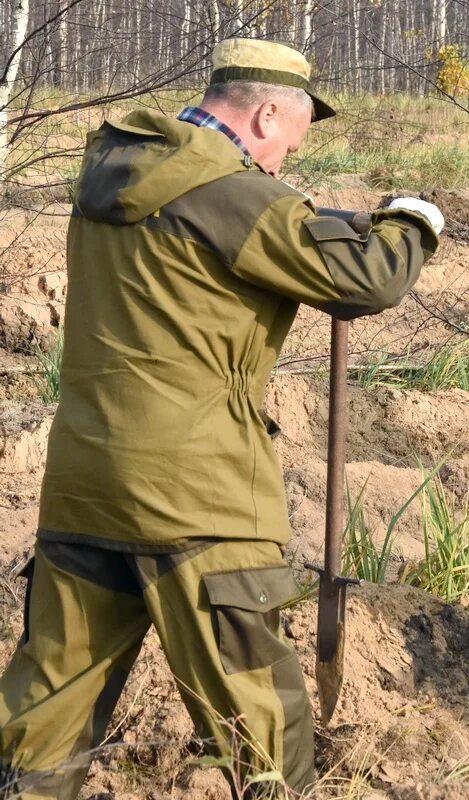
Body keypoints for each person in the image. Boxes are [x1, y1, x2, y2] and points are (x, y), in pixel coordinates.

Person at [0, 38, 443, 799]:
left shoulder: (111, 175)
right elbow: (362, 279)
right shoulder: (228, 191)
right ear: (268, 112)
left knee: (46, 712)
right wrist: (413, 224)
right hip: (195, 498)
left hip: (82, 483)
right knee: (259, 725)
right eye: (287, 147)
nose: (280, 167)